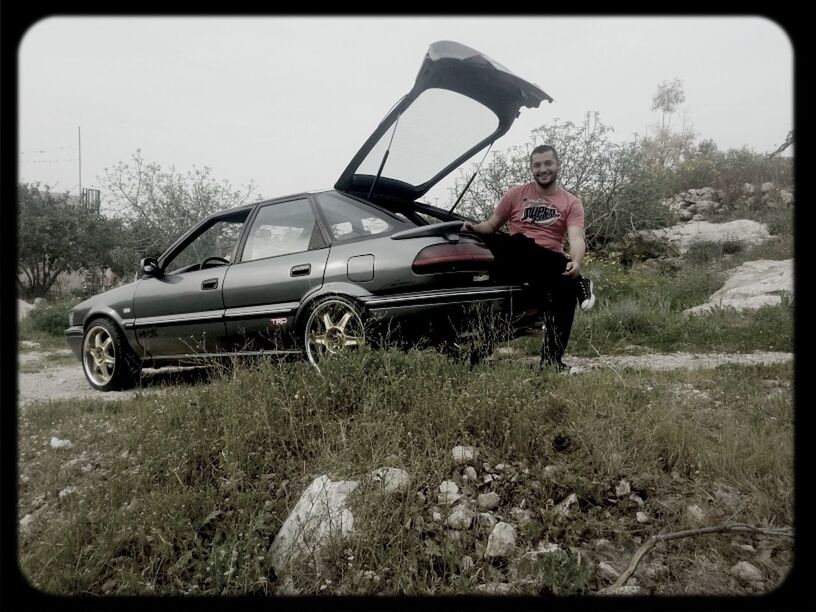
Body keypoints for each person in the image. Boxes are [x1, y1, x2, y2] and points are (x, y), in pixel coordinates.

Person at [462, 144, 595, 371]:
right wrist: (473, 227)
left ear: (558, 165)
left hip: (547, 267)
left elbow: (576, 238)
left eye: (548, 163)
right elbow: (491, 226)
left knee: (564, 285)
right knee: (516, 242)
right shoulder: (515, 194)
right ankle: (579, 282)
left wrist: (576, 261)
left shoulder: (571, 202)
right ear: (531, 168)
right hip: (516, 260)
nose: (542, 169)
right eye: (537, 165)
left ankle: (552, 363)